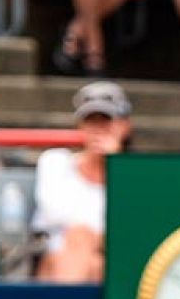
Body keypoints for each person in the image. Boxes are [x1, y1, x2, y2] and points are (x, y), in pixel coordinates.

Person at [33, 81, 130, 282]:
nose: (97, 130)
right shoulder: (54, 162)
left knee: (96, 264)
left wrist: (116, 166)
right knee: (79, 240)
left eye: (105, 121)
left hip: (108, 262)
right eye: (90, 121)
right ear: (80, 126)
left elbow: (131, 227)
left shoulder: (132, 178)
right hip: (54, 259)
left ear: (124, 127)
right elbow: (55, 216)